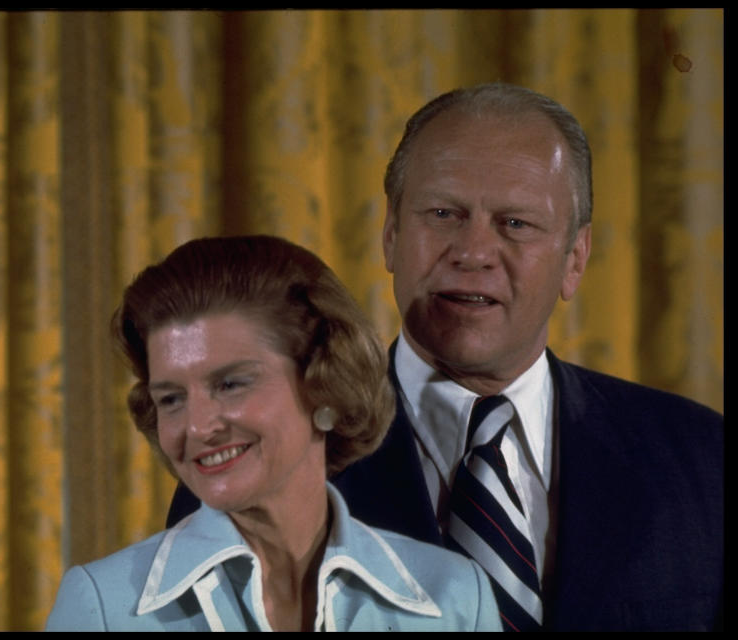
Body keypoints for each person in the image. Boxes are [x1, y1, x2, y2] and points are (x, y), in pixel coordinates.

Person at [168, 84, 723, 631]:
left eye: (515, 223)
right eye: (443, 214)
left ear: (575, 258)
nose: (473, 252)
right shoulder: (253, 464)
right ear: (390, 233)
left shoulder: (701, 460)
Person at [46, 235, 501, 631]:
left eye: (230, 384)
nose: (197, 426)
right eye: (171, 398)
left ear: (326, 384)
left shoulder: (454, 597)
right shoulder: (104, 606)